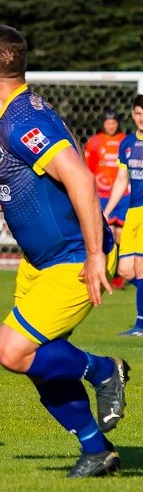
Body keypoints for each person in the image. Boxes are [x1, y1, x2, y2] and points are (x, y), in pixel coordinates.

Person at [0, 25, 130, 478]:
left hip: (73, 260)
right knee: (42, 367)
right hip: (39, 265)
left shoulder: (24, 120)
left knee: (10, 350)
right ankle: (97, 451)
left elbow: (78, 177)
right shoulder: (8, 120)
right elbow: (13, 187)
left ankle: (102, 370)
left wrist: (96, 254)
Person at [103, 94, 143, 336]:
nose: (142, 118)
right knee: (126, 270)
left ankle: (140, 324)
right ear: (132, 114)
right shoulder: (126, 144)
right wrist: (106, 212)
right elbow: (121, 180)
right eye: (138, 113)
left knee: (140, 267)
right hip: (133, 212)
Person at [84, 107, 128, 289]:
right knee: (107, 231)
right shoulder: (95, 142)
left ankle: (120, 274)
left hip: (124, 195)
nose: (111, 125)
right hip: (102, 194)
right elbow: (89, 168)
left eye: (114, 122)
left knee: (121, 235)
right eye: (107, 122)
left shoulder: (125, 141)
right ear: (103, 124)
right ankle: (108, 271)